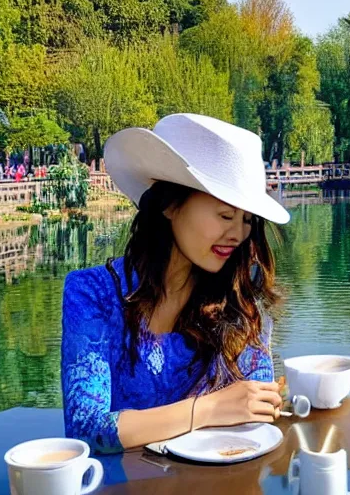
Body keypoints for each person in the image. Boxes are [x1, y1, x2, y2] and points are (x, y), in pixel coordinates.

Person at [61, 113, 290, 454]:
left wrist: (263, 400)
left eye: (247, 220)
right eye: (225, 215)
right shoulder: (93, 294)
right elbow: (86, 429)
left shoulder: (237, 296)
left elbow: (254, 408)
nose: (239, 234)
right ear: (169, 204)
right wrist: (209, 409)